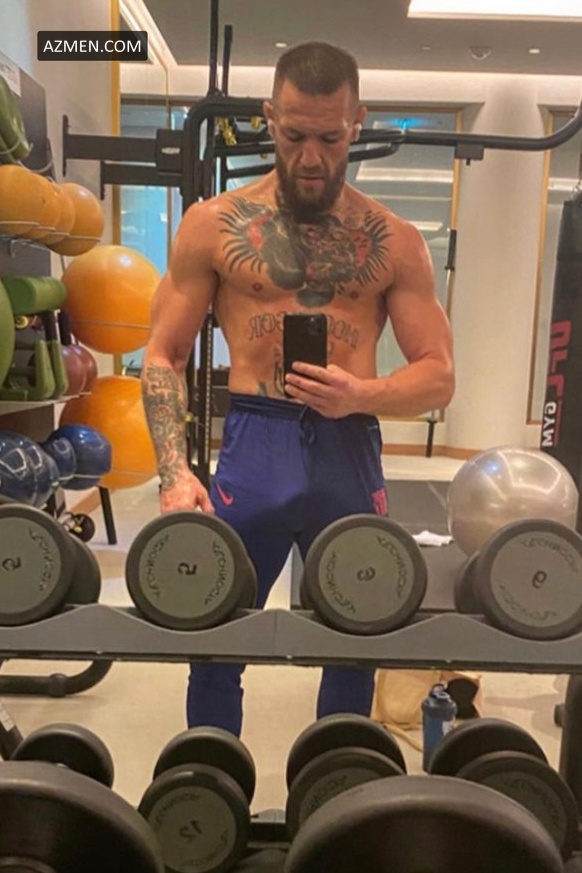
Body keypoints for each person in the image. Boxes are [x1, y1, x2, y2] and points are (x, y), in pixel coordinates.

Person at [141, 41, 455, 737]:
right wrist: (174, 472)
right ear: (269, 119)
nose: (311, 157)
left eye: (330, 138)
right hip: (256, 442)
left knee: (356, 635)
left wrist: (360, 395)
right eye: (294, 136)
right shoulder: (213, 225)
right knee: (216, 632)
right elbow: (163, 354)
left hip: (348, 443)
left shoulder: (394, 240)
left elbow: (438, 375)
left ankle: (337, 783)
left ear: (357, 123)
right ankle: (211, 781)